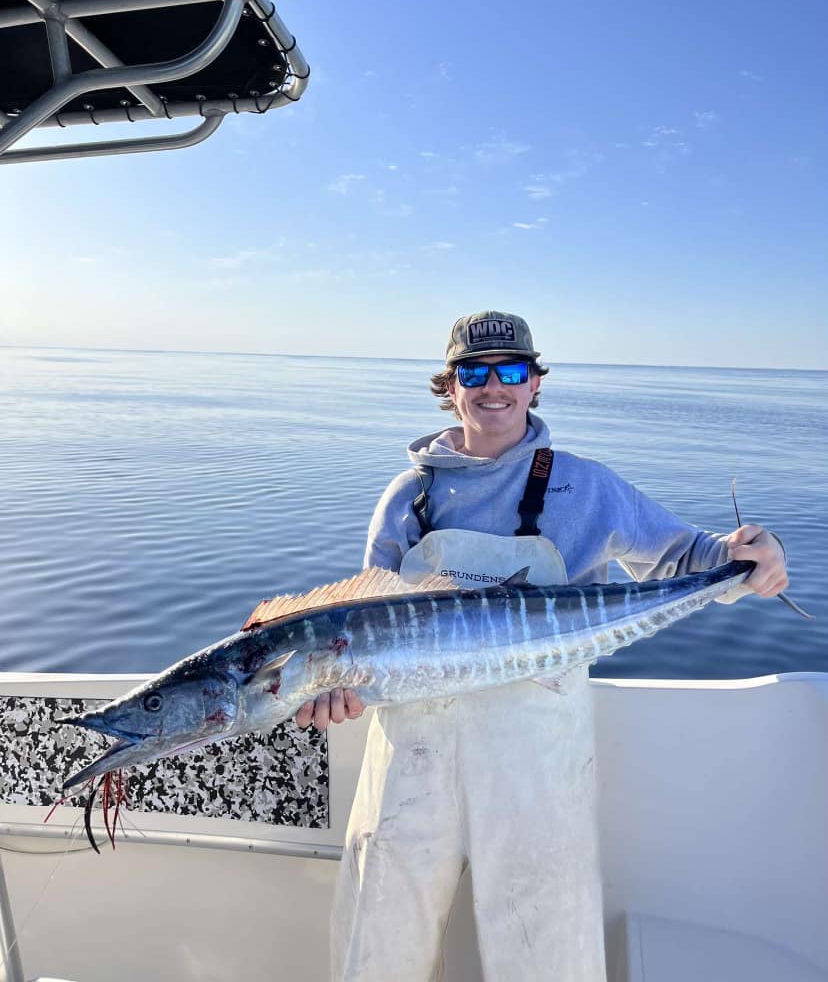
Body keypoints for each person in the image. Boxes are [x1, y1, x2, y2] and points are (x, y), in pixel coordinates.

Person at [296, 309, 788, 982]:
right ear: (450, 385)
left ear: (535, 384)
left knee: (546, 953)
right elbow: (366, 628)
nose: (492, 387)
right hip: (410, 760)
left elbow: (691, 556)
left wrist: (751, 556)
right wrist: (337, 692)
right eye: (474, 371)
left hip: (536, 765)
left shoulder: (586, 485)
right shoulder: (407, 498)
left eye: (512, 371)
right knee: (376, 946)